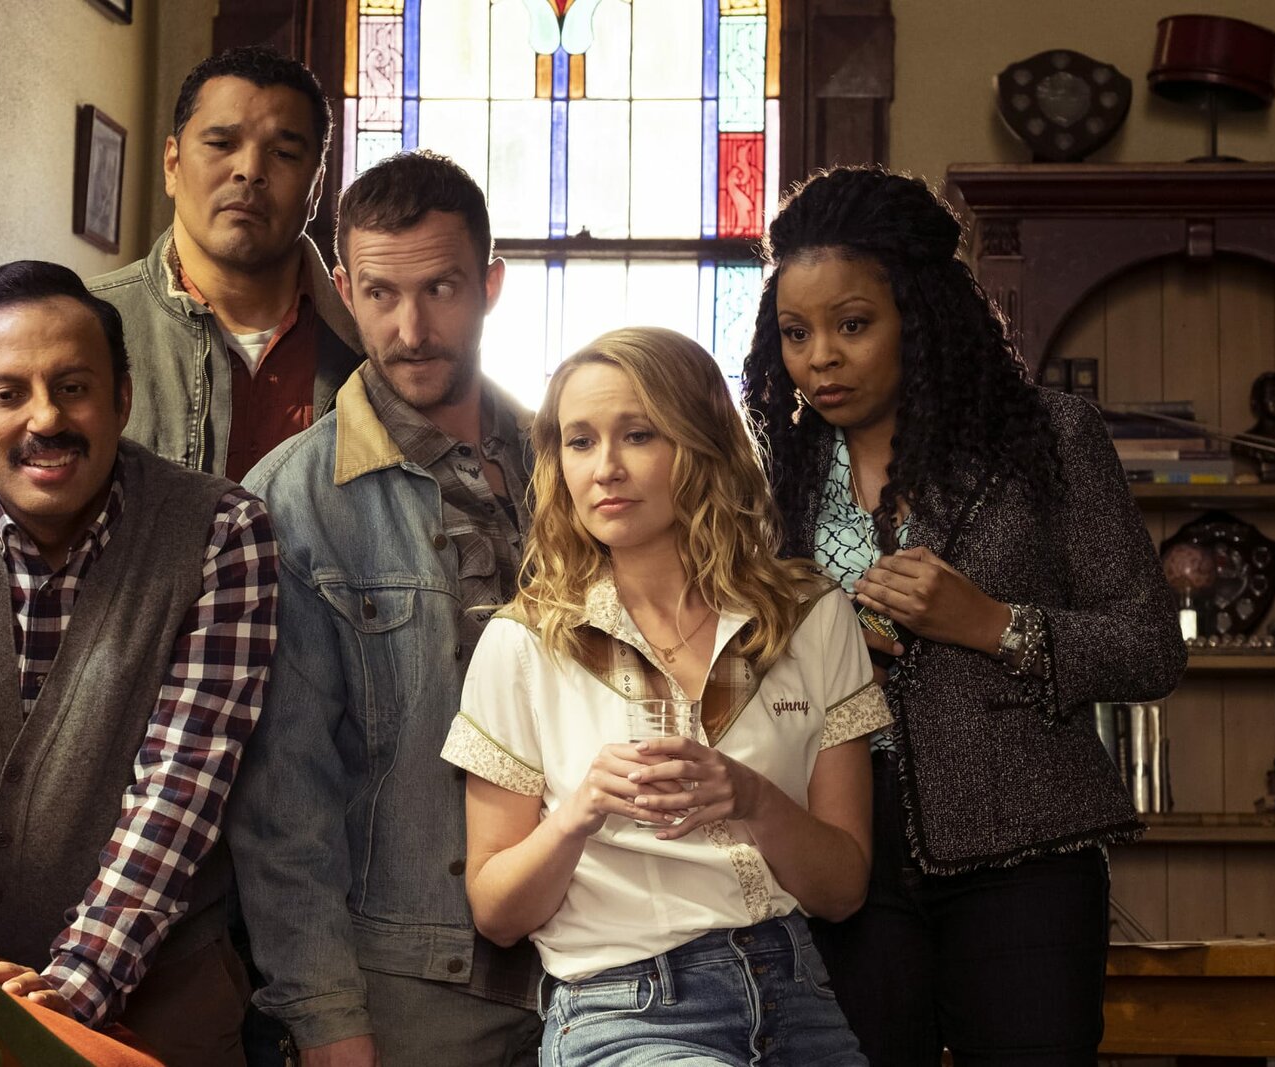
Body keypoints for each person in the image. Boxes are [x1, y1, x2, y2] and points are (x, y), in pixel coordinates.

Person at [740, 166, 1187, 1065]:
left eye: (852, 324)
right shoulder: (770, 475)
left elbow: (1149, 646)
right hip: (840, 852)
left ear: (921, 314)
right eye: (796, 332)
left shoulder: (1049, 437)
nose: (820, 357)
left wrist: (992, 623)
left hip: (1024, 853)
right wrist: (812, 651)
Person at [0, 261, 279, 1067]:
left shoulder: (223, 532)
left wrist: (70, 990)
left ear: (122, 398)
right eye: (7, 394)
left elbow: (179, 788)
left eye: (73, 387)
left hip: (160, 988)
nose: (46, 418)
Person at [442, 326, 884, 1066]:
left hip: (799, 993)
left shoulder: (808, 617)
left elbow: (843, 891)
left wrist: (754, 797)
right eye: (580, 442)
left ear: (702, 443)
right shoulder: (525, 643)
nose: (606, 468)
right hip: (624, 1010)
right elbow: (497, 914)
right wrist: (579, 813)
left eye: (639, 434)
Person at [228, 150, 542, 1067]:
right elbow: (283, 798)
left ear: (489, 285)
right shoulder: (290, 500)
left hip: (599, 971)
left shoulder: (573, 464)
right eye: (380, 294)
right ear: (344, 291)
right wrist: (326, 1013)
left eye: (441, 288)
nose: (411, 329)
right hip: (413, 991)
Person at [0, 45, 363, 481]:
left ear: (317, 187)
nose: (250, 170)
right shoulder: (70, 326)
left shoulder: (369, 342)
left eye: (284, 153)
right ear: (172, 164)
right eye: (221, 143)